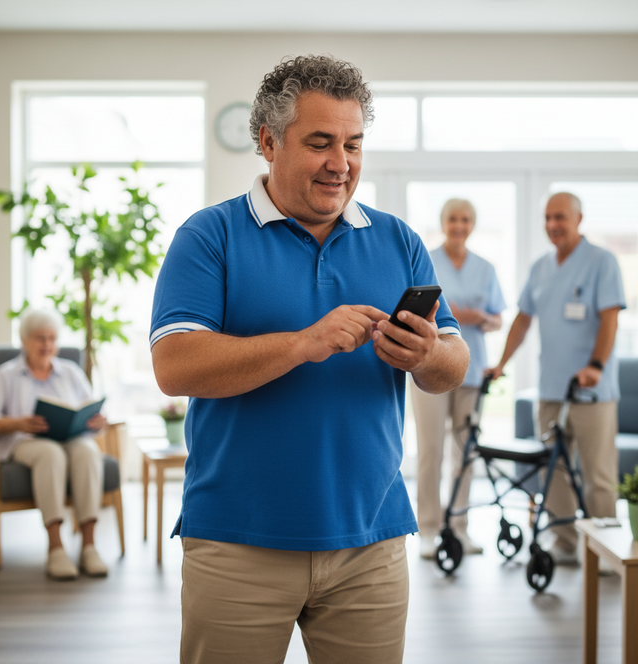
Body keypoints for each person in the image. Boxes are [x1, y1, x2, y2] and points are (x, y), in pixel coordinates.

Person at [150, 54, 469, 664]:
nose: (340, 164)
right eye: (320, 142)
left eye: (352, 144)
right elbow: (175, 366)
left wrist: (427, 354)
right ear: (269, 143)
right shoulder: (209, 236)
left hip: (370, 544)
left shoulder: (398, 239)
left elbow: (453, 363)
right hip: (237, 542)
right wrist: (304, 342)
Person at [487, 192, 625, 564]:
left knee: (598, 474)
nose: (553, 225)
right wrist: (500, 364)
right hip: (551, 390)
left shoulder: (601, 262)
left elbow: (611, 318)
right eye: (548, 218)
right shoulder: (540, 267)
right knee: (555, 472)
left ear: (579, 218)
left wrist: (596, 364)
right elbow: (522, 320)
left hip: (591, 391)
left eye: (560, 217)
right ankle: (565, 543)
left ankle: (606, 554)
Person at [0, 308, 109, 580]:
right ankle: (56, 548)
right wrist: (17, 423)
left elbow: (87, 406)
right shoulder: (7, 374)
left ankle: (88, 546)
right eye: (39, 338)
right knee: (50, 454)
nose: (47, 345)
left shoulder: (70, 372)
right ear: (24, 340)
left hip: (70, 439)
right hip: (26, 442)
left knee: (87, 451)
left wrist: (95, 420)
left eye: (51, 338)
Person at [411, 198, 505, 559]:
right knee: (431, 449)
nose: (459, 225)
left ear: (473, 224)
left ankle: (460, 527)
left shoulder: (485, 267)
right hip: (429, 368)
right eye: (453, 218)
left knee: (465, 452)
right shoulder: (426, 261)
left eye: (465, 219)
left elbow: (498, 318)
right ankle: (430, 530)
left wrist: (480, 316)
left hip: (472, 366)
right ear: (444, 222)